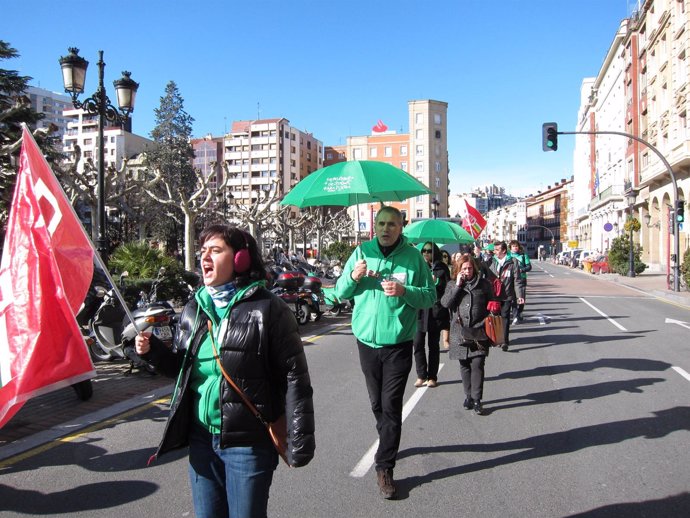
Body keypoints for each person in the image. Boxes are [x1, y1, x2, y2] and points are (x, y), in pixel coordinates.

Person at [135, 224, 315, 518]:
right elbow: (182, 368)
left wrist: (301, 439)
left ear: (240, 259)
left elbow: (295, 377)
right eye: (203, 250)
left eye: (215, 250)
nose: (205, 256)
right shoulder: (195, 307)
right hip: (202, 439)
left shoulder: (268, 309)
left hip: (249, 443)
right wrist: (153, 351)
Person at [335, 206, 435, 500]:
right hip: (366, 342)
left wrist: (405, 291)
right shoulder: (361, 252)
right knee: (376, 404)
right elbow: (340, 293)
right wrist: (354, 276)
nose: (386, 228)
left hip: (398, 344)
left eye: (392, 223)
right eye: (381, 223)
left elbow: (430, 296)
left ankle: (384, 467)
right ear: (374, 226)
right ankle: (388, 437)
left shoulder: (414, 257)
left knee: (391, 406)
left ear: (401, 226)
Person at [441, 253, 499, 415]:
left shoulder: (484, 284)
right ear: (458, 270)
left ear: (475, 268)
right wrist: (458, 286)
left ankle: (477, 399)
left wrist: (493, 311)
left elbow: (493, 302)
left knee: (478, 364)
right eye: (464, 268)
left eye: (470, 268)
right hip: (459, 331)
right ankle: (468, 396)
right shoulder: (452, 284)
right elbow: (446, 303)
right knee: (464, 365)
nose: (467, 271)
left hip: (479, 330)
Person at [413, 242, 450, 388]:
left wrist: (437, 283)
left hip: (435, 310)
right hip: (420, 310)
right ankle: (421, 375)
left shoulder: (441, 268)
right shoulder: (418, 267)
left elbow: (448, 288)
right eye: (423, 251)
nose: (426, 253)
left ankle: (432, 376)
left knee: (433, 345)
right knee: (417, 343)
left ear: (434, 252)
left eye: (429, 251)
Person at [489, 241, 526, 351]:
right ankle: (498, 339)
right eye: (494, 250)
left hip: (507, 295)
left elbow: (517, 280)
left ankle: (505, 341)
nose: (494, 252)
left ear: (504, 250)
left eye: (497, 250)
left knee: (505, 317)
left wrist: (519, 295)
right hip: (495, 295)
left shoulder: (513, 262)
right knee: (496, 317)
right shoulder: (492, 261)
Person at [508, 239, 531, 324]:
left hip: (522, 279)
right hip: (511, 279)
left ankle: (520, 311)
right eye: (513, 246)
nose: (515, 248)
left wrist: (522, 269)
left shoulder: (523, 256)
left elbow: (529, 267)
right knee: (513, 298)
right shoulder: (508, 256)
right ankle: (515, 315)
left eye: (516, 246)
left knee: (521, 298)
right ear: (510, 248)